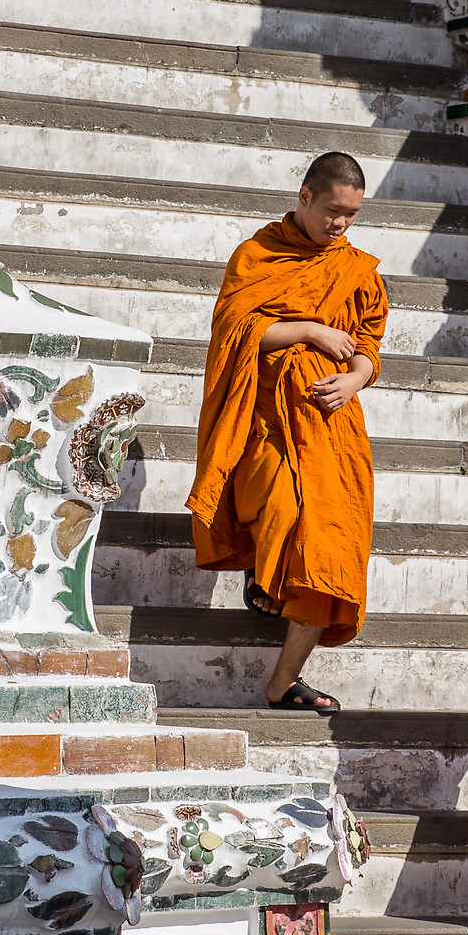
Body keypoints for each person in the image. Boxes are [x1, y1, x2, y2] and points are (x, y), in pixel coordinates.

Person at [187, 152, 387, 715]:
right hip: (263, 419)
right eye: (332, 211)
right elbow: (233, 333)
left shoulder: (359, 271)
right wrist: (309, 330)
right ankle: (265, 574)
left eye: (351, 215)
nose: (340, 225)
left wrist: (354, 381)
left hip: (329, 423)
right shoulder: (258, 256)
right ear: (305, 196)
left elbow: (368, 348)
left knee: (332, 541)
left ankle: (283, 680)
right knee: (276, 505)